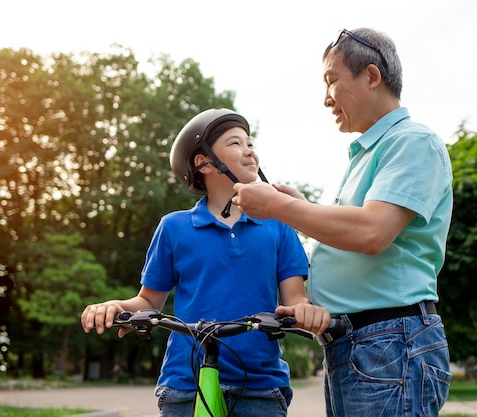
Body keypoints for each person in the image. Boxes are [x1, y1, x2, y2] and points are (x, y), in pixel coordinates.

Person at [233, 28, 453, 416]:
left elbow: (372, 232)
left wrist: (279, 209)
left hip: (390, 342)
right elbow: (355, 230)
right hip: (359, 345)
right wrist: (303, 209)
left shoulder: (413, 141)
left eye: (331, 80)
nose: (325, 99)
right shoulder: (369, 153)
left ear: (371, 76)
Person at [81, 108, 331, 417]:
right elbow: (149, 301)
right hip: (187, 382)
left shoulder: (279, 224)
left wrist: (305, 309)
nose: (250, 149)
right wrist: (118, 307)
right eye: (236, 143)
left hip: (259, 384)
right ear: (205, 162)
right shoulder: (174, 227)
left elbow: (295, 299)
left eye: (251, 143)